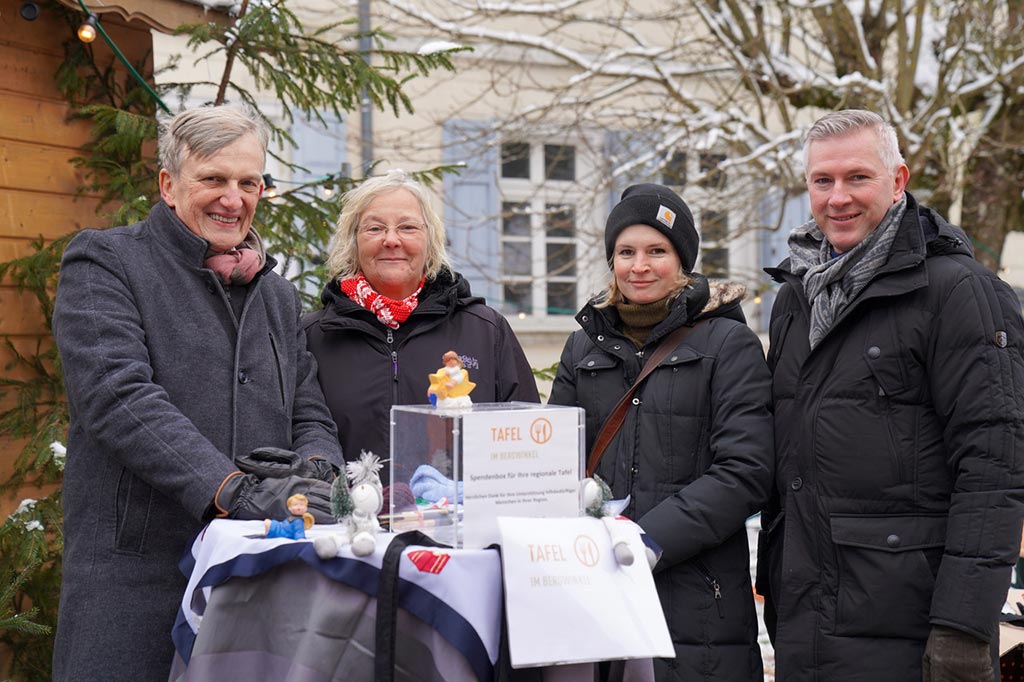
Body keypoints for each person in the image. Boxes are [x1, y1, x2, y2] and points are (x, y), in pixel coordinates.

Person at [51, 105, 344, 681]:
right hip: (137, 574)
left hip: (260, 572)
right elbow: (119, 397)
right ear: (168, 184)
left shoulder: (277, 296)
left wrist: (314, 476)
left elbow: (309, 409)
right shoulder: (106, 261)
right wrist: (231, 488)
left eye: (248, 182)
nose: (232, 198)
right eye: (212, 179)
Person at [758, 109, 1024, 681]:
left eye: (858, 177)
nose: (838, 198)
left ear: (898, 180)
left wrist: (963, 625)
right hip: (804, 615)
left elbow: (995, 465)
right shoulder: (795, 300)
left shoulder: (959, 291)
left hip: (912, 622)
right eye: (822, 181)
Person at [548, 183, 773, 681]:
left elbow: (746, 471)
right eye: (626, 252)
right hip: (595, 582)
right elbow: (555, 459)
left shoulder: (729, 344)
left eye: (657, 251)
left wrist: (649, 539)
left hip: (696, 594)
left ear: (682, 260)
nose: (639, 266)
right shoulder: (583, 345)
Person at [303, 170, 540, 482]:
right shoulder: (313, 337)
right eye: (375, 228)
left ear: (431, 241)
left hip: (458, 526)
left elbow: (528, 446)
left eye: (407, 227)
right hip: (350, 524)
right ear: (353, 242)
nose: (391, 240)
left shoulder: (486, 331)